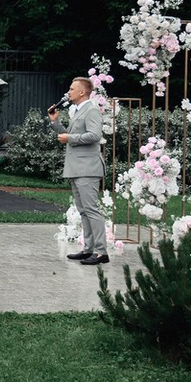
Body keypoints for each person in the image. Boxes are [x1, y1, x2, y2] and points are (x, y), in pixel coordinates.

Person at [50, 76, 108, 265]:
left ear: (82, 92)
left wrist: (70, 138)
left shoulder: (91, 110)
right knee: (83, 211)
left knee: (91, 210)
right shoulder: (78, 111)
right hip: (77, 167)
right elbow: (70, 135)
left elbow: (94, 135)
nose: (69, 92)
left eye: (72, 89)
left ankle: (101, 252)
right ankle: (88, 249)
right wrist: (55, 123)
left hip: (87, 168)